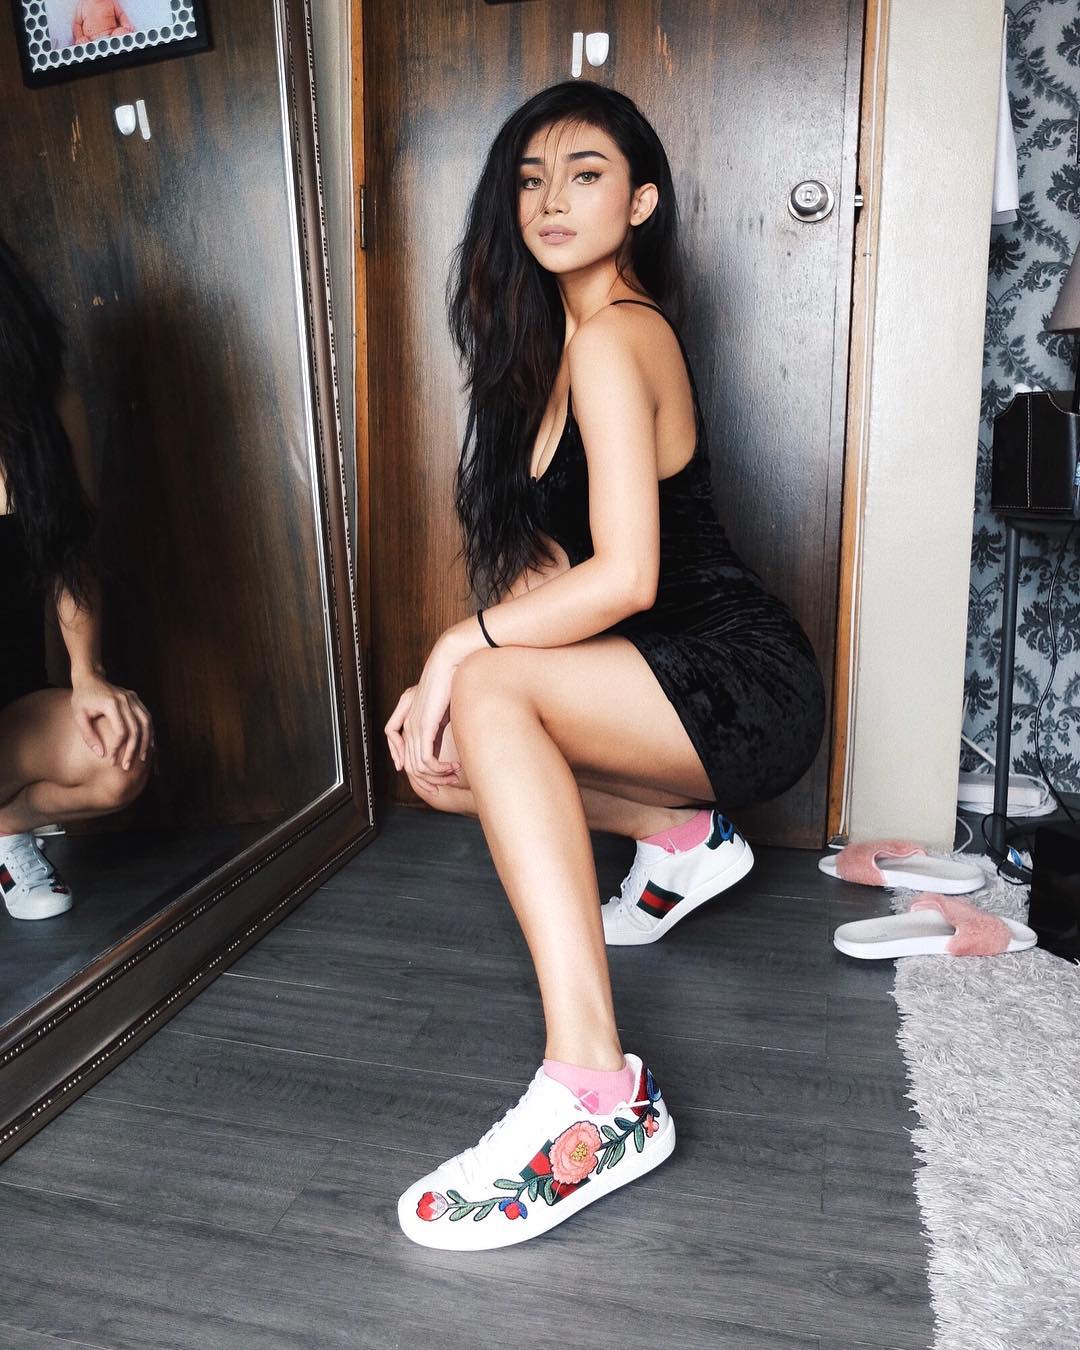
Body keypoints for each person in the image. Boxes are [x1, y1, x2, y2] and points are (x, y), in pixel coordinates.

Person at [384, 81, 825, 1250]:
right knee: (449, 756)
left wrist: (457, 647)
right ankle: (680, 840)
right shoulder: (549, 361)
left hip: (739, 677)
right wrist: (459, 682)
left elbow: (628, 577)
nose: (551, 199)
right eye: (532, 178)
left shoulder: (624, 333)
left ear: (639, 203)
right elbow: (553, 596)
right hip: (661, 675)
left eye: (585, 175)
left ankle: (597, 1093)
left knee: (480, 685)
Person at [0, 237, 153, 921]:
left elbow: (72, 557)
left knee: (117, 759)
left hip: (9, 710)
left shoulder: (46, 405)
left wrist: (88, 674)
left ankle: (5, 834)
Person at [71, 1, 135, 45]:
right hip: (90, 41)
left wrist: (125, 23)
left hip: (111, 37)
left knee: (121, 31)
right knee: (82, 43)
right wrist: (80, 37)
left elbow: (121, 14)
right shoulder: (82, 3)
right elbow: (77, 23)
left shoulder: (111, 1)